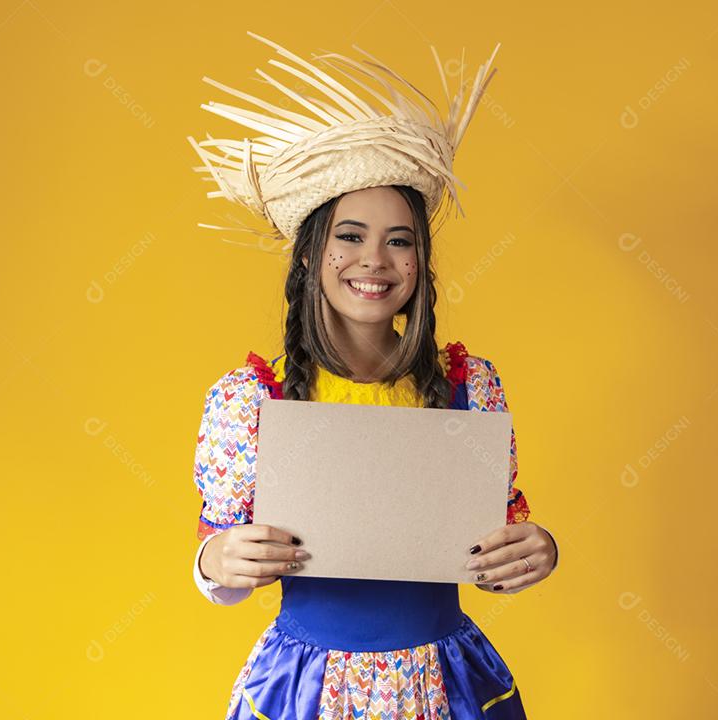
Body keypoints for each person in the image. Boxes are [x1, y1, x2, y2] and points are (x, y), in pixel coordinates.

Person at [187, 32, 559, 720]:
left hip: (442, 682)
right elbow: (225, 571)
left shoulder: (466, 390)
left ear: (422, 262)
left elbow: (493, 561)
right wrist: (216, 566)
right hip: (307, 688)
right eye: (350, 236)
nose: (375, 261)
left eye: (400, 240)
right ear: (309, 255)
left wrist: (539, 551)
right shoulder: (251, 403)